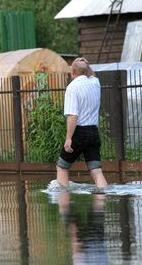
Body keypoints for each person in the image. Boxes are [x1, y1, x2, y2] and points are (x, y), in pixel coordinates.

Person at [56, 57, 108, 189]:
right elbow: (92, 75)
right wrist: (87, 65)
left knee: (62, 167)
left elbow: (73, 116)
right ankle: (104, 197)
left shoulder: (72, 88)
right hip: (93, 132)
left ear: (72, 73)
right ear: (86, 71)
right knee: (96, 171)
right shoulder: (95, 83)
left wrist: (68, 138)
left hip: (79, 132)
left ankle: (64, 203)